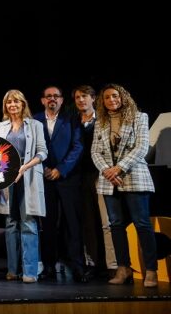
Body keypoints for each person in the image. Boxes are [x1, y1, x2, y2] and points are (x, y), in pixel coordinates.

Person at [91, 84, 158, 288]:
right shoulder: (100, 121)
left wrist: (118, 168)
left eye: (115, 96)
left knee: (142, 224)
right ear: (102, 102)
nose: (111, 100)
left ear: (123, 97)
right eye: (107, 97)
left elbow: (142, 147)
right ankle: (123, 268)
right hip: (109, 181)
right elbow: (95, 151)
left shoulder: (139, 117)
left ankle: (151, 270)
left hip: (134, 176)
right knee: (116, 225)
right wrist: (107, 171)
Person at [34, 86, 87, 282]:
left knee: (72, 224)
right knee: (48, 225)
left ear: (62, 100)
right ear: (42, 100)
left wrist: (61, 169)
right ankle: (48, 267)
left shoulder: (72, 119)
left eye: (56, 96)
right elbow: (32, 147)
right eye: (48, 96)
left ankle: (77, 267)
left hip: (68, 179)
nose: (52, 99)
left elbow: (78, 146)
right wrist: (46, 168)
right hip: (44, 178)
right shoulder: (35, 120)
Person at [0, 89, 47, 283]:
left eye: (16, 101)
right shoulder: (0, 127)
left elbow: (42, 152)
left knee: (28, 222)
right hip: (7, 178)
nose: (13, 105)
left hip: (28, 174)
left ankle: (30, 271)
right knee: (10, 223)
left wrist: (23, 168)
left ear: (23, 104)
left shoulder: (35, 125)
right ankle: (12, 269)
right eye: (9, 102)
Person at [73, 84, 117, 277]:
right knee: (88, 221)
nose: (81, 100)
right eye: (77, 97)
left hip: (102, 174)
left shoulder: (104, 120)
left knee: (106, 221)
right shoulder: (72, 121)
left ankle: (113, 265)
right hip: (80, 177)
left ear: (93, 98)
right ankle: (94, 262)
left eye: (84, 96)